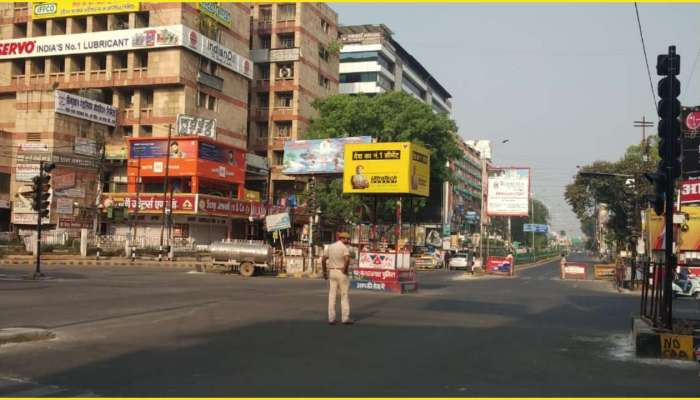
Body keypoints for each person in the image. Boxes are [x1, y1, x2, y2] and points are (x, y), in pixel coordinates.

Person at [322, 231, 353, 325]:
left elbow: (323, 260)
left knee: (332, 296)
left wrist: (324, 271)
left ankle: (331, 318)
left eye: (348, 239)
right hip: (341, 272)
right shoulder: (344, 247)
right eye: (346, 239)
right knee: (344, 295)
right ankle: (345, 318)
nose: (347, 240)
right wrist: (345, 269)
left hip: (332, 272)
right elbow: (347, 259)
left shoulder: (330, 247)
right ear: (341, 238)